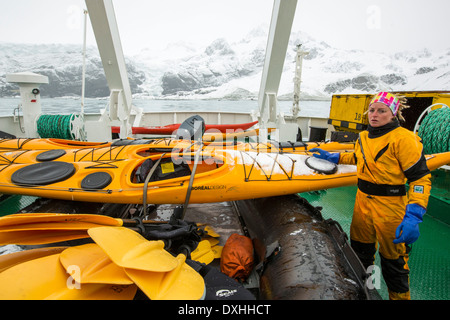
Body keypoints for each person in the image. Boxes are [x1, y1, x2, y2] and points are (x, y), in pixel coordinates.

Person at [311, 92, 431, 300]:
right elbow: (359, 157)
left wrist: (414, 215)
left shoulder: (404, 139)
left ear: (393, 114)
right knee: (361, 255)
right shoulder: (364, 136)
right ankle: (369, 292)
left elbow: (420, 179)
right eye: (372, 110)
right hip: (362, 203)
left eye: (381, 111)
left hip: (391, 207)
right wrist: (337, 156)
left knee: (394, 264)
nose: (374, 115)